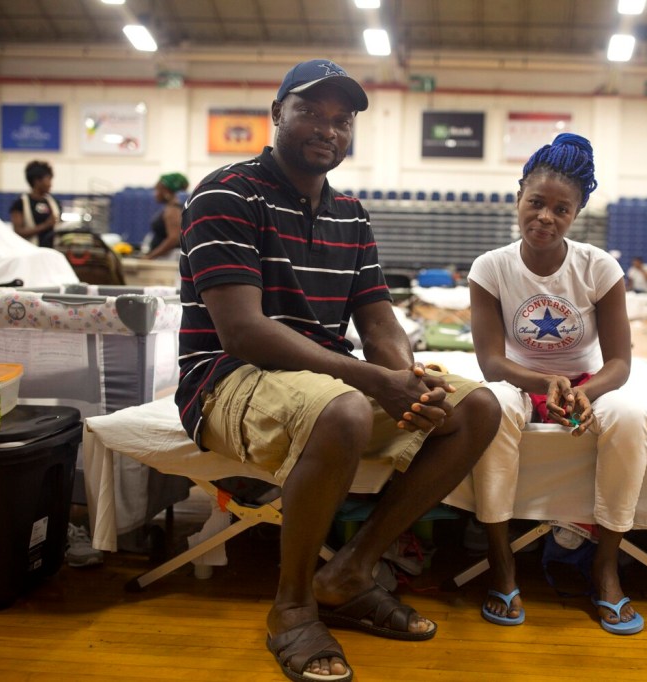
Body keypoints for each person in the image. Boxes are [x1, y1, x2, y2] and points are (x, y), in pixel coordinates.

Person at [176, 58, 500, 682]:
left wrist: (407, 377)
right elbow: (242, 330)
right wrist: (372, 380)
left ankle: (350, 570)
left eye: (341, 120)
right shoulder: (226, 193)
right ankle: (291, 606)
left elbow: (378, 322)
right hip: (226, 377)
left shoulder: (351, 212)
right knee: (344, 407)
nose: (328, 129)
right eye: (311, 112)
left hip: (318, 379)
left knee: (476, 407)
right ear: (276, 114)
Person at [467, 133, 647, 635]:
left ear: (576, 215)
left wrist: (584, 393)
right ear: (519, 198)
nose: (545, 216)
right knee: (492, 408)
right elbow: (489, 361)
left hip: (585, 381)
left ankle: (605, 565)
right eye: (536, 203)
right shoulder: (491, 268)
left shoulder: (599, 267)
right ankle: (502, 562)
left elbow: (620, 362)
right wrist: (544, 381)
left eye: (561, 209)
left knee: (632, 419)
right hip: (519, 379)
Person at [9, 160, 60, 247]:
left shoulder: (54, 203)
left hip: (52, 253)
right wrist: (45, 225)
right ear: (37, 181)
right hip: (30, 252)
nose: (51, 184)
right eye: (48, 179)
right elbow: (18, 232)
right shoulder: (20, 204)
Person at [143, 172, 189, 260]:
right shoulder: (170, 208)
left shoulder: (172, 210)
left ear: (165, 191)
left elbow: (173, 239)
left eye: (157, 190)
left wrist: (150, 256)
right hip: (165, 257)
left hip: (168, 259)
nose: (155, 194)